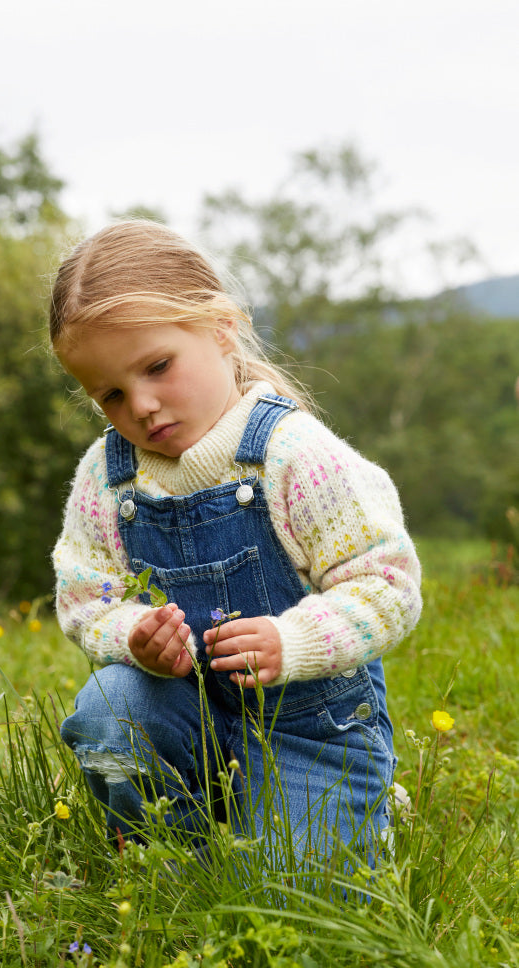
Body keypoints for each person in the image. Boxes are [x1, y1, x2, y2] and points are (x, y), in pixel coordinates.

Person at [50, 220, 422, 865]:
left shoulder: (294, 456)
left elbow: (385, 583)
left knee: (294, 895)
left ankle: (365, 802)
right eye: (110, 393)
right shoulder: (107, 478)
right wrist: (134, 637)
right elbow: (86, 598)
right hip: (184, 714)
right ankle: (170, 855)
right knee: (112, 706)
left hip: (309, 728)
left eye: (157, 367)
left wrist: (292, 640)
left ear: (222, 328)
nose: (141, 405)